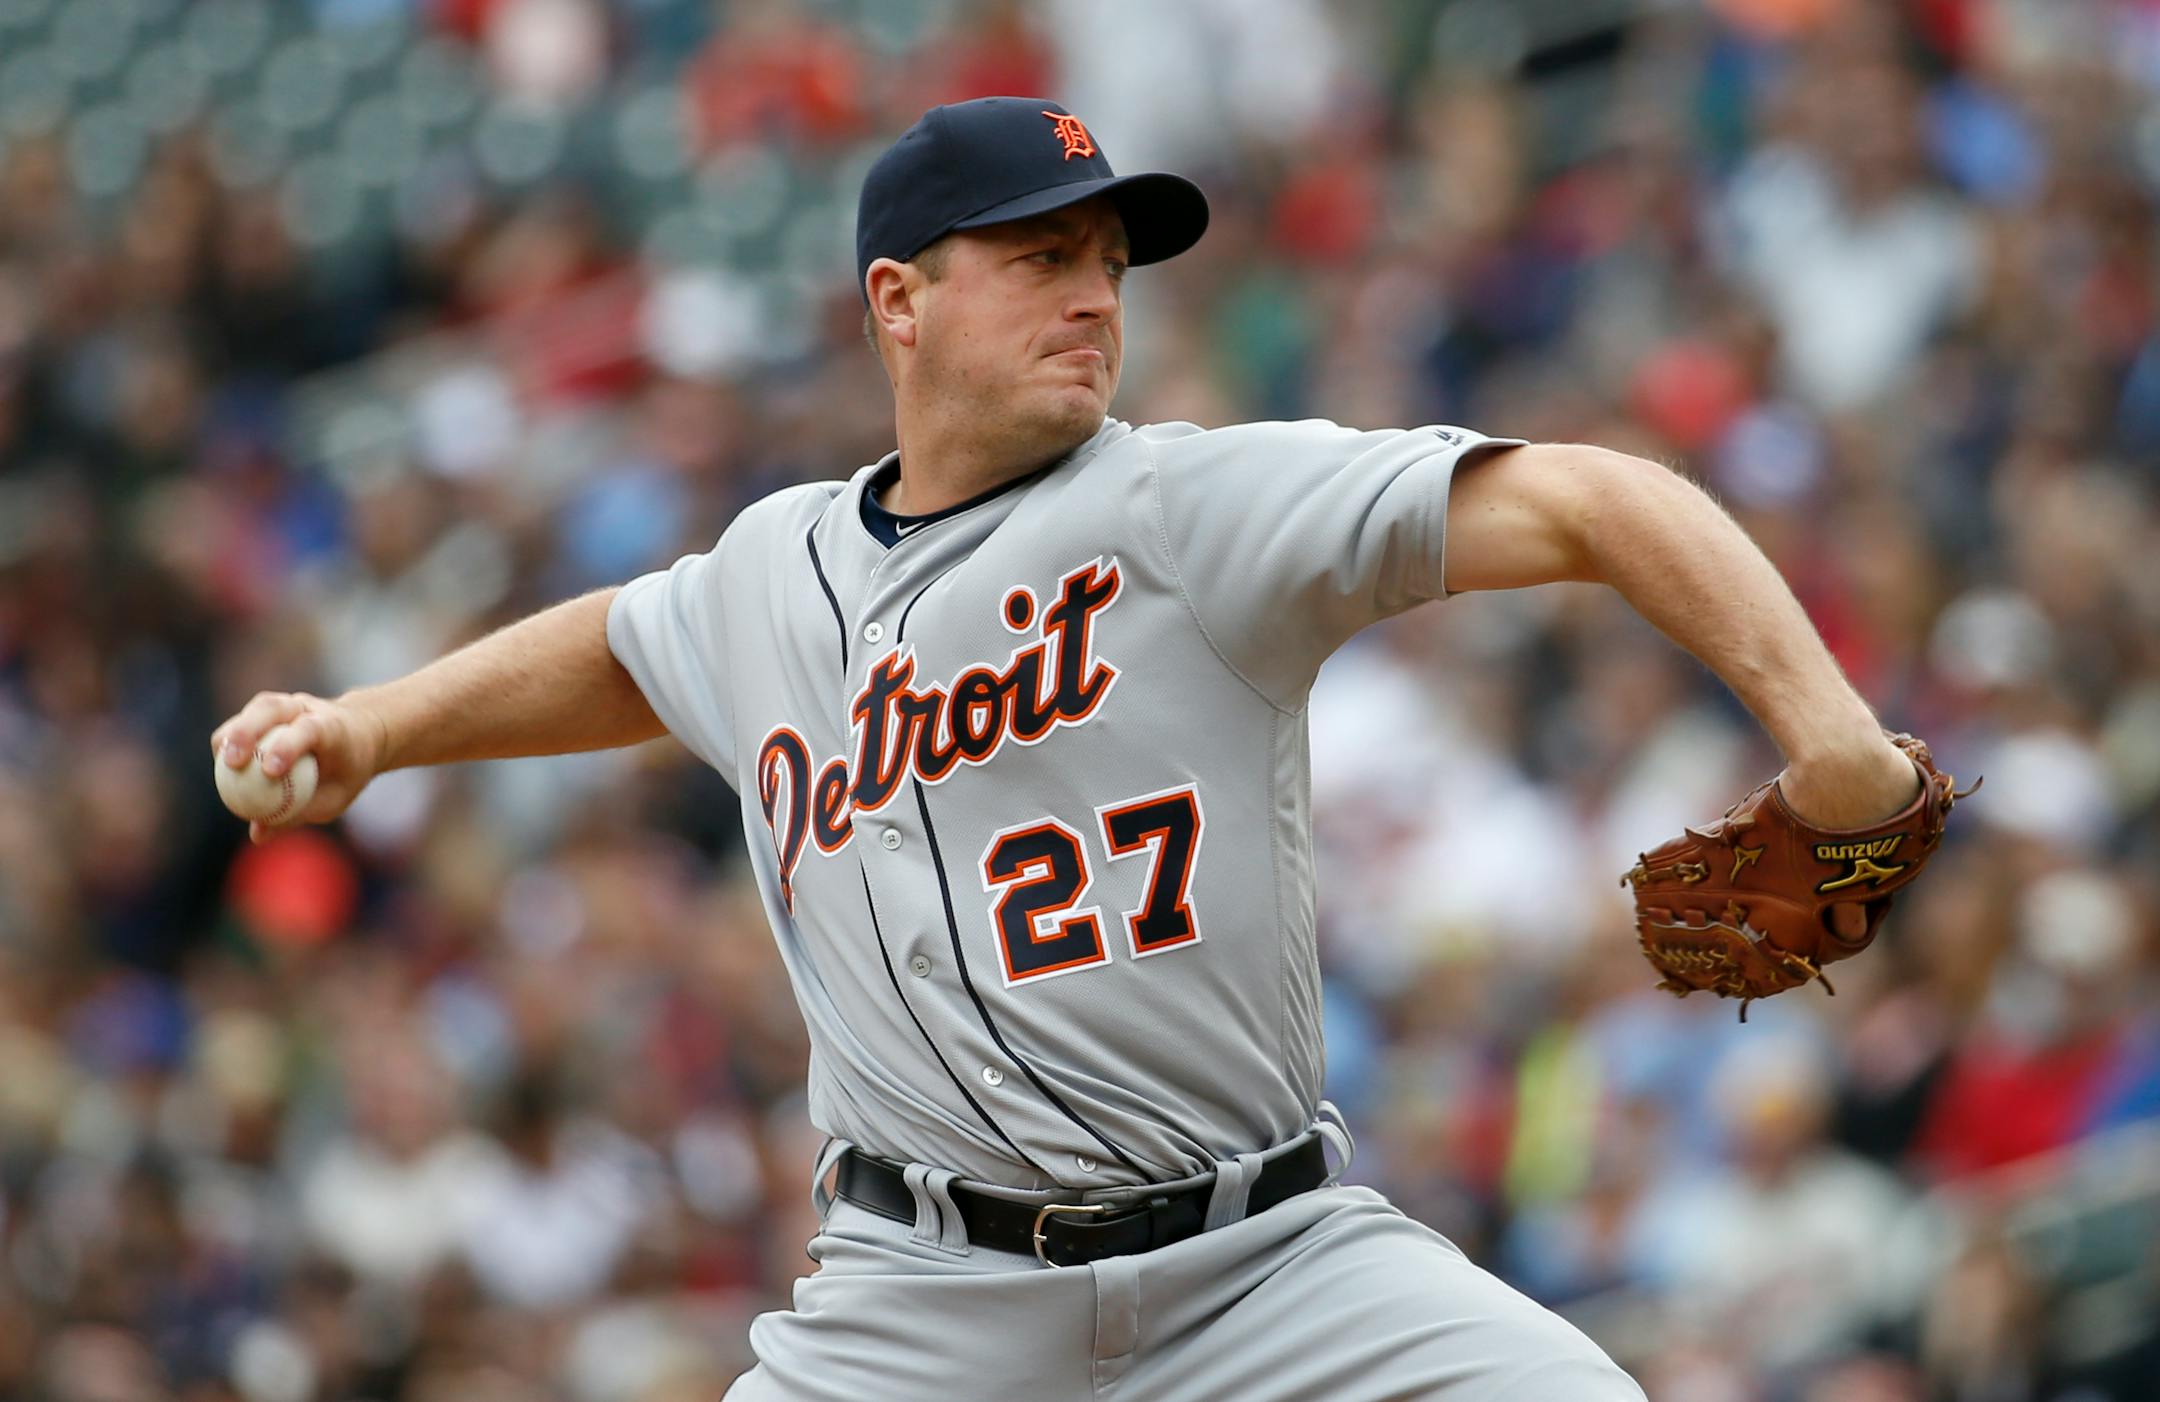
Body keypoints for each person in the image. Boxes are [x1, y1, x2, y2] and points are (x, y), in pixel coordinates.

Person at [213, 98, 1920, 1400]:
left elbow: (1593, 494)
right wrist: (372, 724)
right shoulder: (769, 567)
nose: (1094, 298)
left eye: (1108, 263)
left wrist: (1831, 740)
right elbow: (625, 647)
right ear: (899, 299)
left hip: (1271, 1268)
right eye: (1041, 261)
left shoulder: (1189, 506)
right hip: (919, 1302)